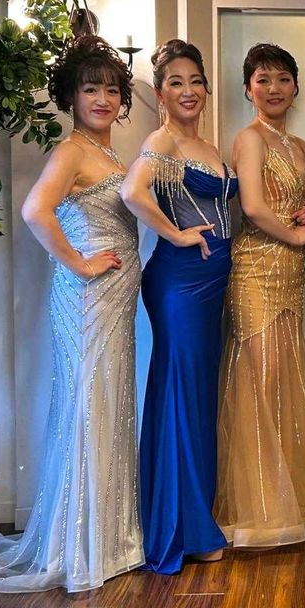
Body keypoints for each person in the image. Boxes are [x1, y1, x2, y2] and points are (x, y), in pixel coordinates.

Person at [0, 35, 142, 592]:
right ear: (72, 96)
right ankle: (83, 548)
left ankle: (108, 539)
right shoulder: (72, 151)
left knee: (107, 405)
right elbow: (35, 210)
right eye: (91, 89)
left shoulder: (109, 153)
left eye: (112, 90)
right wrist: (80, 263)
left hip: (113, 298)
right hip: (88, 298)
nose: (103, 99)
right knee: (89, 406)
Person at [121, 39, 236, 573]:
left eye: (196, 82)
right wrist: (175, 234)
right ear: (161, 93)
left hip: (211, 284)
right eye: (176, 83)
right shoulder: (161, 140)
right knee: (182, 397)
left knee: (196, 397)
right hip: (179, 283)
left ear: (206, 89)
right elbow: (132, 192)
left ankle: (192, 520)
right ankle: (184, 529)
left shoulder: (206, 145)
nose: (188, 91)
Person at [215, 43, 305, 548]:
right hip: (255, 269)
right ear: (248, 89)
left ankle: (286, 501)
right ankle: (254, 511)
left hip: (291, 273)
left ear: (296, 87)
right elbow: (253, 208)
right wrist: (297, 234)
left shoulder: (301, 146)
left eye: (283, 79)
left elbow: (302, 201)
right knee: (257, 381)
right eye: (263, 79)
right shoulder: (249, 138)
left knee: (284, 379)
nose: (274, 88)